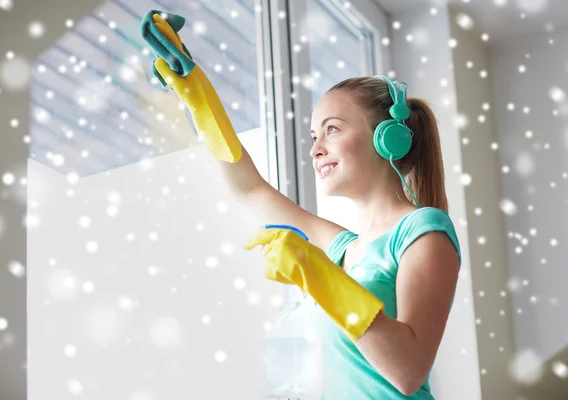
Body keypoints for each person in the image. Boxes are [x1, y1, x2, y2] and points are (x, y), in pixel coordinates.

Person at [144, 12, 461, 399]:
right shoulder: (346, 248)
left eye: (332, 129)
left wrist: (318, 274)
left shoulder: (424, 229)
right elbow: (251, 190)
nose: (315, 149)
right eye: (314, 135)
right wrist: (197, 97)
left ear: (387, 139)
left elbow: (408, 371)